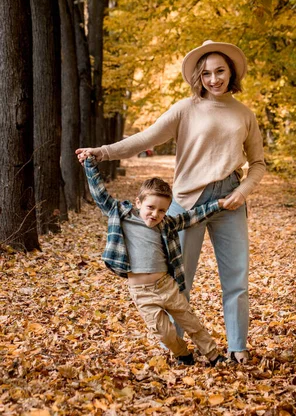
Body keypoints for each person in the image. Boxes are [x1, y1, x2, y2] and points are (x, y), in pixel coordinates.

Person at [77, 40, 266, 364]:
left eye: (220, 71)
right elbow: (145, 138)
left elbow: (259, 163)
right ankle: (178, 349)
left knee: (236, 279)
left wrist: (243, 191)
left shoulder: (244, 114)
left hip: (229, 201)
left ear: (231, 71)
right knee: (179, 280)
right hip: (185, 202)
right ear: (198, 76)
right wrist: (102, 151)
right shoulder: (185, 109)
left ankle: (238, 347)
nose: (214, 79)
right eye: (206, 73)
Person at [84, 155, 227, 366]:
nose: (155, 214)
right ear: (138, 202)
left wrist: (218, 204)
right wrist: (90, 164)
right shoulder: (123, 216)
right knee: (164, 332)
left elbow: (191, 217)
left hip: (166, 286)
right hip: (141, 293)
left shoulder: (166, 224)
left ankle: (214, 356)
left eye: (162, 210)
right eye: (150, 207)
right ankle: (182, 354)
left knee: (191, 323)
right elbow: (100, 195)